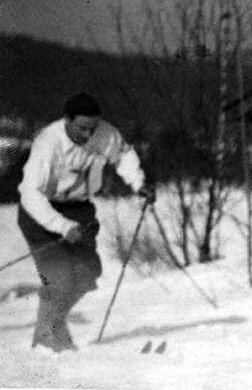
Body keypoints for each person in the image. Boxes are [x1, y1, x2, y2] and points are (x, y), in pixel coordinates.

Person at [18, 92, 155, 352]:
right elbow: (29, 194)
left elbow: (124, 155)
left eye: (92, 129)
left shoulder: (106, 134)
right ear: (67, 120)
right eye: (81, 128)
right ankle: (50, 335)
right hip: (41, 213)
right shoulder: (49, 142)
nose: (87, 135)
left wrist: (139, 184)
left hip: (79, 209)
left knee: (87, 273)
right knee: (59, 277)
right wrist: (62, 226)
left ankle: (50, 325)